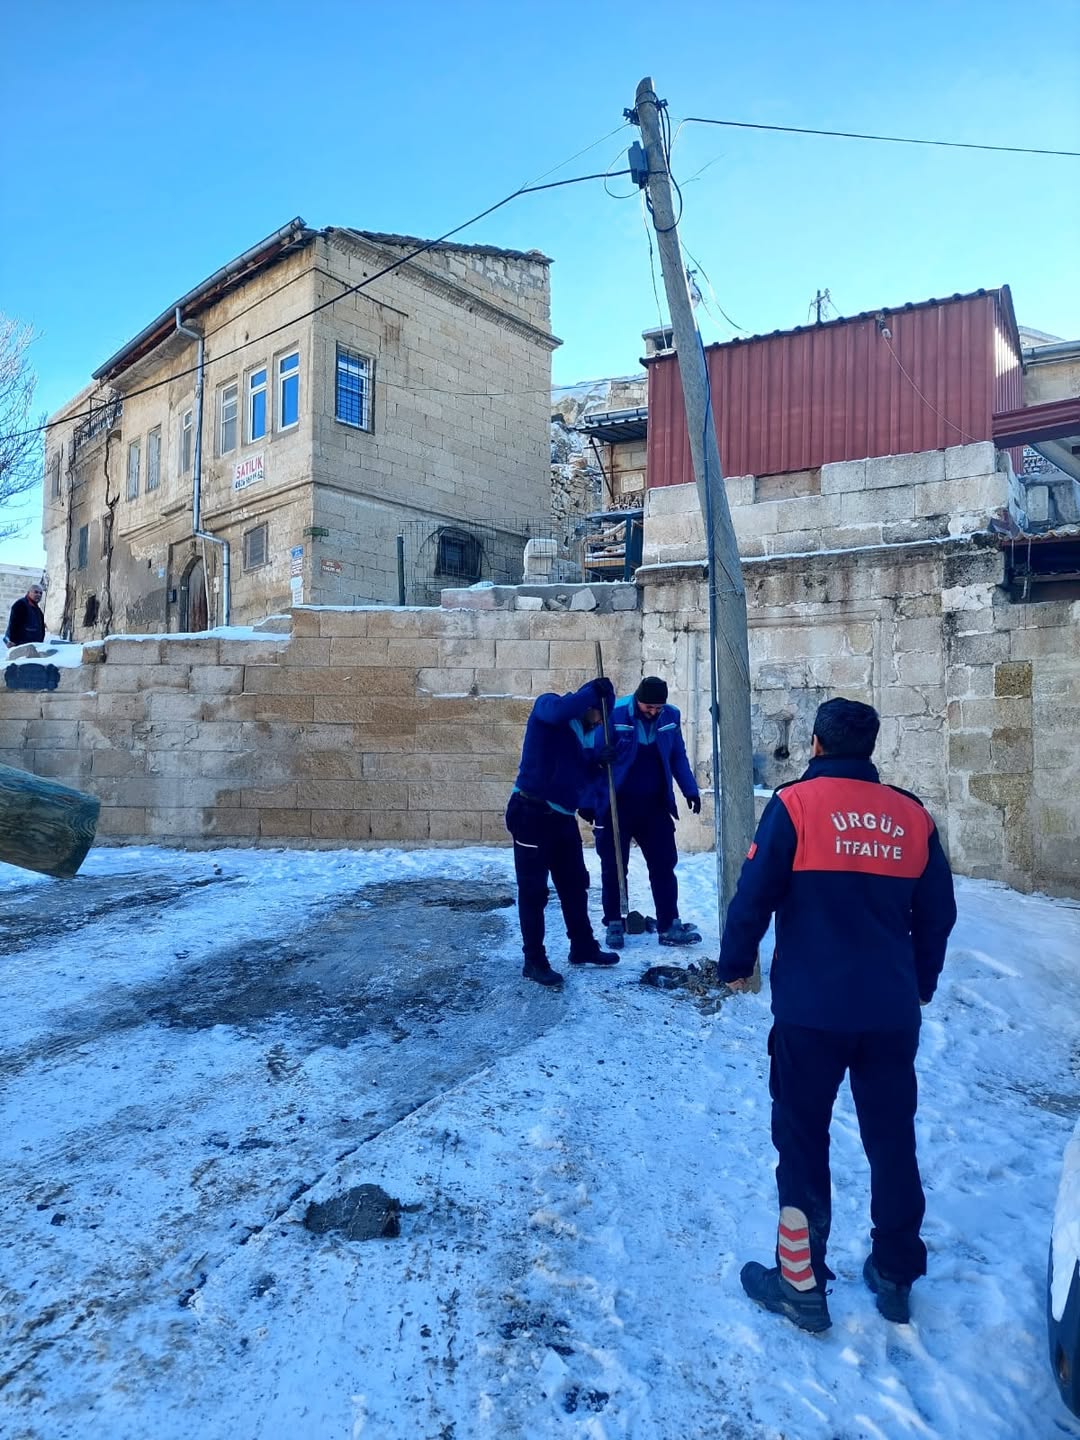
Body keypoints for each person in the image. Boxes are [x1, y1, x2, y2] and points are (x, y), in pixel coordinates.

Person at [717, 697, 956, 1334]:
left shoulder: (793, 806)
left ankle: (800, 1282)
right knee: (891, 1138)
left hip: (810, 1013)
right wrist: (922, 982)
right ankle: (897, 1269)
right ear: (870, 749)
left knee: (801, 1142)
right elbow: (937, 914)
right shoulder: (912, 816)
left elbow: (754, 895)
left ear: (816, 745)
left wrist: (735, 960)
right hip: (889, 1010)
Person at [506, 676, 621, 988]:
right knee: (533, 892)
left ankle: (582, 946)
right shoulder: (549, 706)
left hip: (562, 818)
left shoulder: (583, 734)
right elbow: (559, 712)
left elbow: (577, 773)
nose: (599, 721)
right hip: (531, 811)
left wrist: (598, 762)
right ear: (589, 705)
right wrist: (589, 695)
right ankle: (534, 960)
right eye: (599, 714)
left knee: (574, 885)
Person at [593, 675, 702, 949]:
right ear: (637, 700)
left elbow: (677, 756)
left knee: (664, 864)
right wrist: (600, 755)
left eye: (658, 708)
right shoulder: (615, 712)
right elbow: (589, 750)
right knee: (614, 866)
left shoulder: (670, 717)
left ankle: (669, 925)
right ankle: (615, 923)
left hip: (654, 806)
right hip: (617, 806)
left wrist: (690, 789)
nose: (653, 712)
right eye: (648, 707)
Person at [4, 583, 46, 648]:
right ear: (29, 592)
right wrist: (13, 641)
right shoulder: (21, 605)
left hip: (33, 646)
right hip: (21, 646)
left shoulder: (38, 610)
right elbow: (14, 624)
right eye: (36, 592)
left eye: (41, 593)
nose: (39, 595)